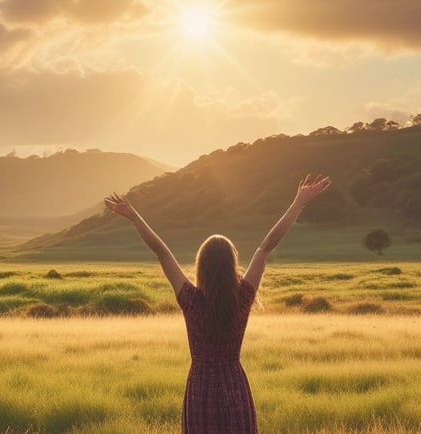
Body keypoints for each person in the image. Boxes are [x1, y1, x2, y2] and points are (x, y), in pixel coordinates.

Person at [104, 173, 332, 433]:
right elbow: (267, 246)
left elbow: (162, 252)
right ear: (232, 265)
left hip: (200, 390)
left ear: (201, 266)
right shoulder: (242, 298)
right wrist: (299, 202)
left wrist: (134, 216)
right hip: (234, 387)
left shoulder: (191, 301)